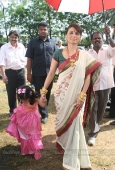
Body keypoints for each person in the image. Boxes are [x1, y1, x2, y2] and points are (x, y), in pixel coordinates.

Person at [40, 23, 101, 170]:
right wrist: (43, 91)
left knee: (75, 124)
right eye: (71, 32)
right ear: (66, 35)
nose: (74, 35)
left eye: (77, 33)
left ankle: (72, 161)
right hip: (61, 95)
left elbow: (88, 77)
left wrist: (82, 95)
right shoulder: (58, 53)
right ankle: (70, 150)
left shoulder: (84, 55)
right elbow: (50, 74)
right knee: (65, 123)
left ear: (80, 37)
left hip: (78, 95)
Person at [87, 26, 115, 146]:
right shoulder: (87, 53)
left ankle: (96, 125)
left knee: (101, 109)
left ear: (103, 40)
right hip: (92, 85)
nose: (97, 40)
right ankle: (93, 133)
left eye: (99, 38)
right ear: (91, 41)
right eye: (95, 38)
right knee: (93, 108)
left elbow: (114, 46)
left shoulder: (108, 51)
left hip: (106, 85)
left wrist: (109, 35)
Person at [26, 22, 57, 124]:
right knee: (39, 93)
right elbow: (29, 59)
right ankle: (43, 114)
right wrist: (28, 73)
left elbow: (57, 58)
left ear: (47, 30)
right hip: (37, 73)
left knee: (47, 93)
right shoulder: (33, 43)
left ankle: (44, 109)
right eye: (41, 29)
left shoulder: (52, 43)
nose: (43, 31)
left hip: (50, 74)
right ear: (38, 30)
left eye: (45, 29)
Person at [6, 85, 47, 160]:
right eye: (21, 99)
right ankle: (27, 149)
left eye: (25, 99)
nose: (23, 101)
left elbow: (43, 105)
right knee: (24, 134)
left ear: (30, 95)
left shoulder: (35, 98)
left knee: (33, 134)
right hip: (22, 117)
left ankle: (36, 150)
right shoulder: (22, 98)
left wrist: (44, 101)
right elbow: (20, 106)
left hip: (33, 119)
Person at [0, 30, 27, 115]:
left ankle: (22, 110)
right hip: (9, 73)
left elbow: (25, 60)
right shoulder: (4, 48)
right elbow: (2, 62)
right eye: (12, 37)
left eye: (15, 37)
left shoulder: (22, 46)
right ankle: (13, 111)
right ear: (9, 38)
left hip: (21, 72)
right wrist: (4, 75)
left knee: (22, 92)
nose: (13, 39)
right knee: (11, 93)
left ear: (18, 38)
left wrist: (28, 72)